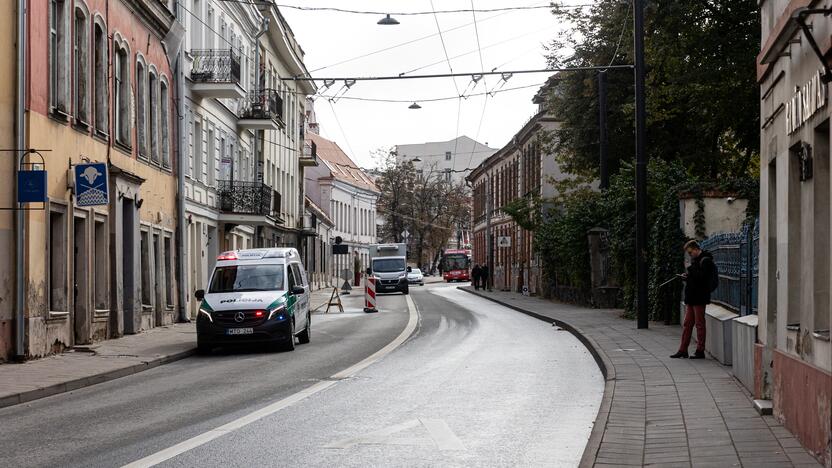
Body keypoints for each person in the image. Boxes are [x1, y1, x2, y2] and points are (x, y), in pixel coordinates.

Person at [671, 240, 716, 359]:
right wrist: (687, 277)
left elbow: (702, 279)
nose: (690, 255)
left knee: (699, 324)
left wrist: (690, 269)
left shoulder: (706, 261)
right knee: (687, 324)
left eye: (690, 252)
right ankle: (682, 350)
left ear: (696, 249)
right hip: (691, 297)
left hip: (700, 297)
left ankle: (700, 350)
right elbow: (695, 277)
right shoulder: (696, 260)